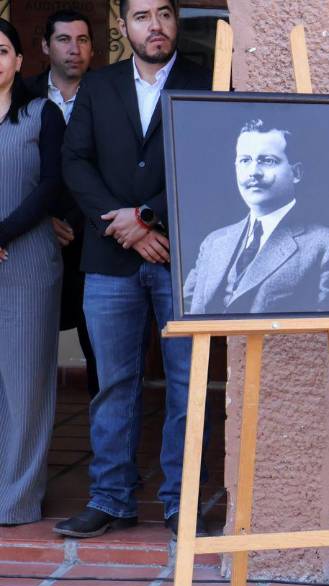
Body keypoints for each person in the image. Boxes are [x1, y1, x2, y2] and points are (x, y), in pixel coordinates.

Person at [55, 0, 211, 539]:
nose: (156, 25)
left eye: (165, 14)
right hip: (108, 258)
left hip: (183, 256)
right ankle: (112, 498)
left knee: (187, 384)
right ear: (124, 26)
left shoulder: (205, 83)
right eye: (142, 16)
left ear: (176, 22)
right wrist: (119, 225)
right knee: (114, 384)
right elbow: (75, 161)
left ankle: (180, 503)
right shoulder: (99, 87)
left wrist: (147, 217)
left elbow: (212, 160)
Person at [183, 118, 329, 315]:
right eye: (245, 160)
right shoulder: (214, 242)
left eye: (268, 161)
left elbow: (325, 334)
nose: (253, 172)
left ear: (296, 173)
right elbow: (186, 314)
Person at [0, 18, 67, 525]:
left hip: (27, 262)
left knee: (25, 384)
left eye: (2, 51)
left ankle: (16, 500)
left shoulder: (42, 115)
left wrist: (1, 234)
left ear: (20, 61)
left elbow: (50, 187)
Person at [25, 9, 99, 398]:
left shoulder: (109, 94)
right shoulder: (22, 95)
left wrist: (80, 220)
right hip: (33, 238)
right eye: (64, 40)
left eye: (82, 40)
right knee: (25, 354)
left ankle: (105, 454)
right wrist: (40, 219)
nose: (74, 49)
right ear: (44, 46)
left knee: (101, 356)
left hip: (96, 242)